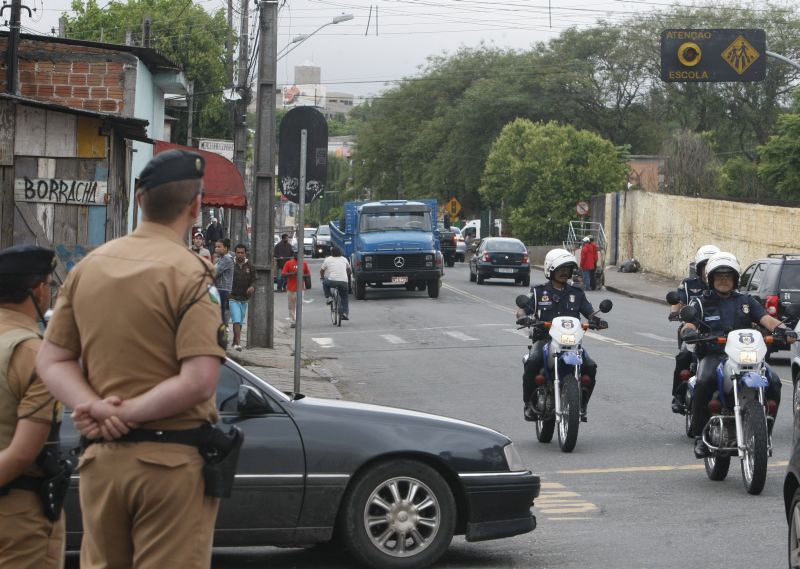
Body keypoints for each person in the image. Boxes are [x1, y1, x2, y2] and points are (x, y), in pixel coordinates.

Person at [36, 149, 226, 569]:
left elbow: (52, 359)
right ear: (196, 206)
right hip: (170, 464)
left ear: (139, 201)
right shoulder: (192, 275)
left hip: (101, 462)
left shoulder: (88, 268)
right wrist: (131, 412)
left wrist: (94, 406)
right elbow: (198, 380)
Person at [680, 251, 796, 458]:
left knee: (775, 382)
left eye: (728, 276)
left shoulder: (746, 301)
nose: (724, 280)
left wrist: (783, 329)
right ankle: (699, 436)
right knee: (704, 381)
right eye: (719, 276)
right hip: (714, 355)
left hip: (745, 355)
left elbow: (765, 319)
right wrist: (689, 331)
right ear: (711, 278)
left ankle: (764, 432)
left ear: (735, 279)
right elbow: (689, 323)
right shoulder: (700, 302)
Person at [0, 245, 66, 569]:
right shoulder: (34, 355)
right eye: (50, 286)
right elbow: (23, 453)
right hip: (17, 517)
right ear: (39, 291)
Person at [517, 248, 607, 422]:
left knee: (590, 366)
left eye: (568, 269)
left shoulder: (577, 293)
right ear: (550, 270)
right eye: (560, 269)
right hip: (545, 340)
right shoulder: (538, 291)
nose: (565, 272)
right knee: (532, 362)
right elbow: (522, 309)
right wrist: (523, 318)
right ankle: (528, 404)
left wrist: (597, 320)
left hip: (572, 342)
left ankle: (581, 405)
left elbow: (589, 312)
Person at [668, 244, 719, 413]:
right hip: (692, 329)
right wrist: (675, 312)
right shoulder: (688, 284)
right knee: (684, 355)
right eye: (705, 265)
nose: (707, 270)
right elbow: (678, 302)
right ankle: (678, 395)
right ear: (699, 267)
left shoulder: (723, 285)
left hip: (718, 331)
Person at [229, 244, 255, 351]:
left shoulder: (250, 266)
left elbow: (254, 280)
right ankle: (238, 344)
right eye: (238, 252)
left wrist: (252, 287)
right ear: (235, 253)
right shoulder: (230, 264)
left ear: (245, 253)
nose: (240, 254)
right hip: (232, 297)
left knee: (240, 321)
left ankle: (235, 341)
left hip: (244, 299)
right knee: (236, 319)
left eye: (242, 252)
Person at [320, 246, 352, 321]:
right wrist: (345, 276)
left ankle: (329, 297)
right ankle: (345, 313)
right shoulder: (344, 259)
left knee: (325, 283)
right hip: (344, 282)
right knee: (344, 297)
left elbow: (322, 270)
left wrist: (322, 277)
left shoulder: (328, 259)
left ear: (331, 253)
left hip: (332, 281)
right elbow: (349, 270)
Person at [281, 253, 310, 328]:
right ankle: (293, 321)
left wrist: (302, 275)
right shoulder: (288, 263)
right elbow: (283, 274)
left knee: (299, 305)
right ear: (294, 256)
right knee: (291, 306)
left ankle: (298, 321)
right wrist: (293, 273)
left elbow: (308, 274)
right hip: (290, 288)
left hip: (300, 288)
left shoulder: (304, 263)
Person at [214, 238, 234, 324]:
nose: (216, 248)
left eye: (219, 246)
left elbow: (214, 273)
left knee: (221, 317)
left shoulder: (226, 259)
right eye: (216, 247)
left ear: (225, 248)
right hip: (220, 289)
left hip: (223, 290)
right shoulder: (220, 258)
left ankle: (221, 335)